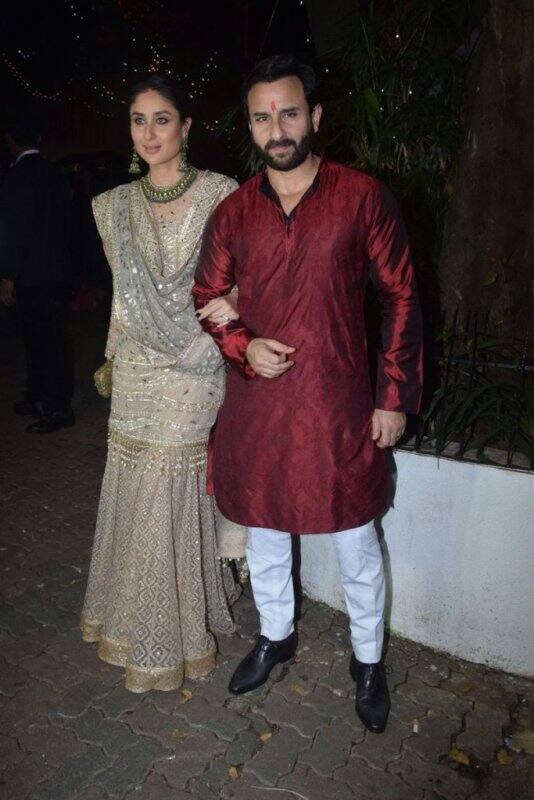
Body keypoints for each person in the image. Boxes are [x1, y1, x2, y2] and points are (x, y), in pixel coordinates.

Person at [193, 54, 423, 733]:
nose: (277, 127)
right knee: (265, 531)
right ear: (252, 127)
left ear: (314, 116)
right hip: (261, 405)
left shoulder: (362, 196)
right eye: (263, 116)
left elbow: (402, 294)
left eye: (289, 112)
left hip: (339, 403)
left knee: (356, 539)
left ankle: (369, 659)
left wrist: (393, 395)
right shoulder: (234, 212)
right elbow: (207, 294)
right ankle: (275, 636)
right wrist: (242, 343)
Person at [81, 75, 245, 693]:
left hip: (197, 362)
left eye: (162, 119)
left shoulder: (222, 196)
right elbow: (123, 298)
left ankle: (171, 629)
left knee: (170, 484)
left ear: (187, 126)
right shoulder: (111, 206)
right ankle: (134, 619)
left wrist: (218, 340)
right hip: (138, 371)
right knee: (135, 480)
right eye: (139, 120)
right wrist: (116, 358)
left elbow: (240, 281)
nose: (149, 133)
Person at [0, 114, 75, 433]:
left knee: (45, 341)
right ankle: (38, 396)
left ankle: (57, 408)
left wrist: (8, 274)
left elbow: (13, 229)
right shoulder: (54, 173)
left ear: (10, 140)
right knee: (43, 339)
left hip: (33, 275)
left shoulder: (18, 176)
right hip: (56, 271)